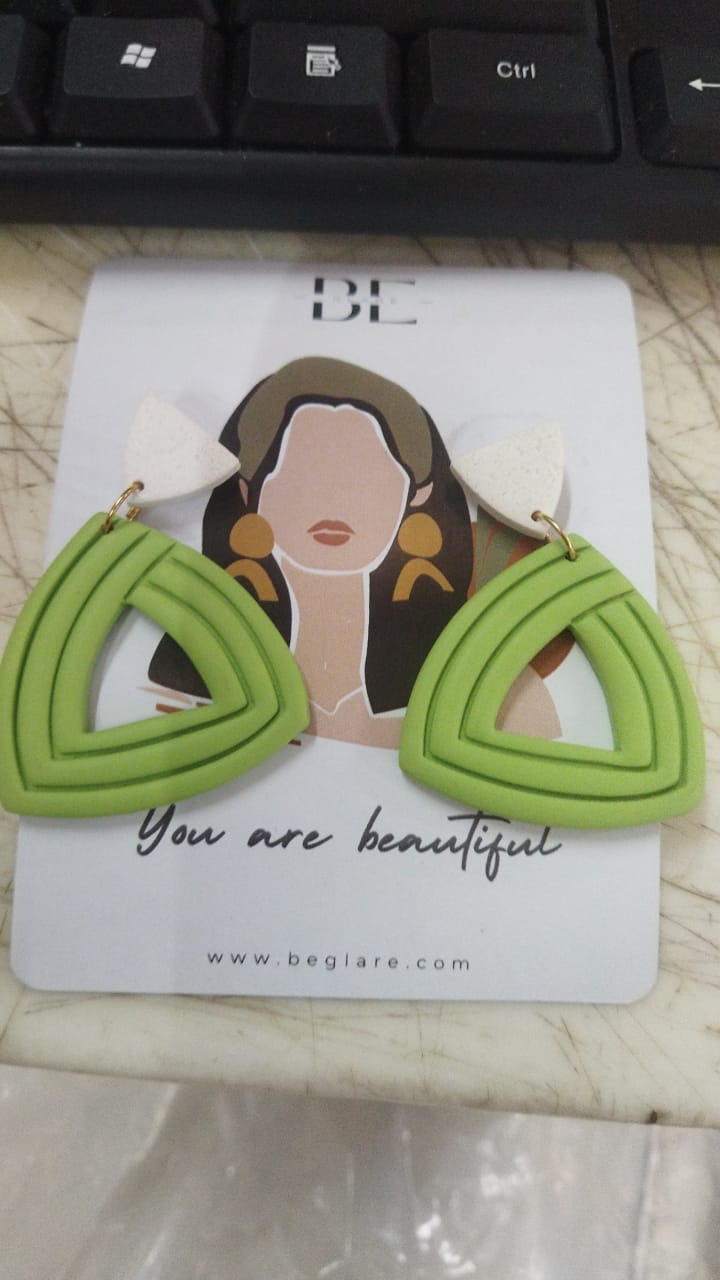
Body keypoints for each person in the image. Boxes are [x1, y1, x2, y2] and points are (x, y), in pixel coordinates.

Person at [149, 357, 564, 747]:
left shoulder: (485, 683)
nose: (334, 497)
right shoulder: (188, 671)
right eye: (306, 468)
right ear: (249, 489)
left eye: (364, 471)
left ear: (417, 493)